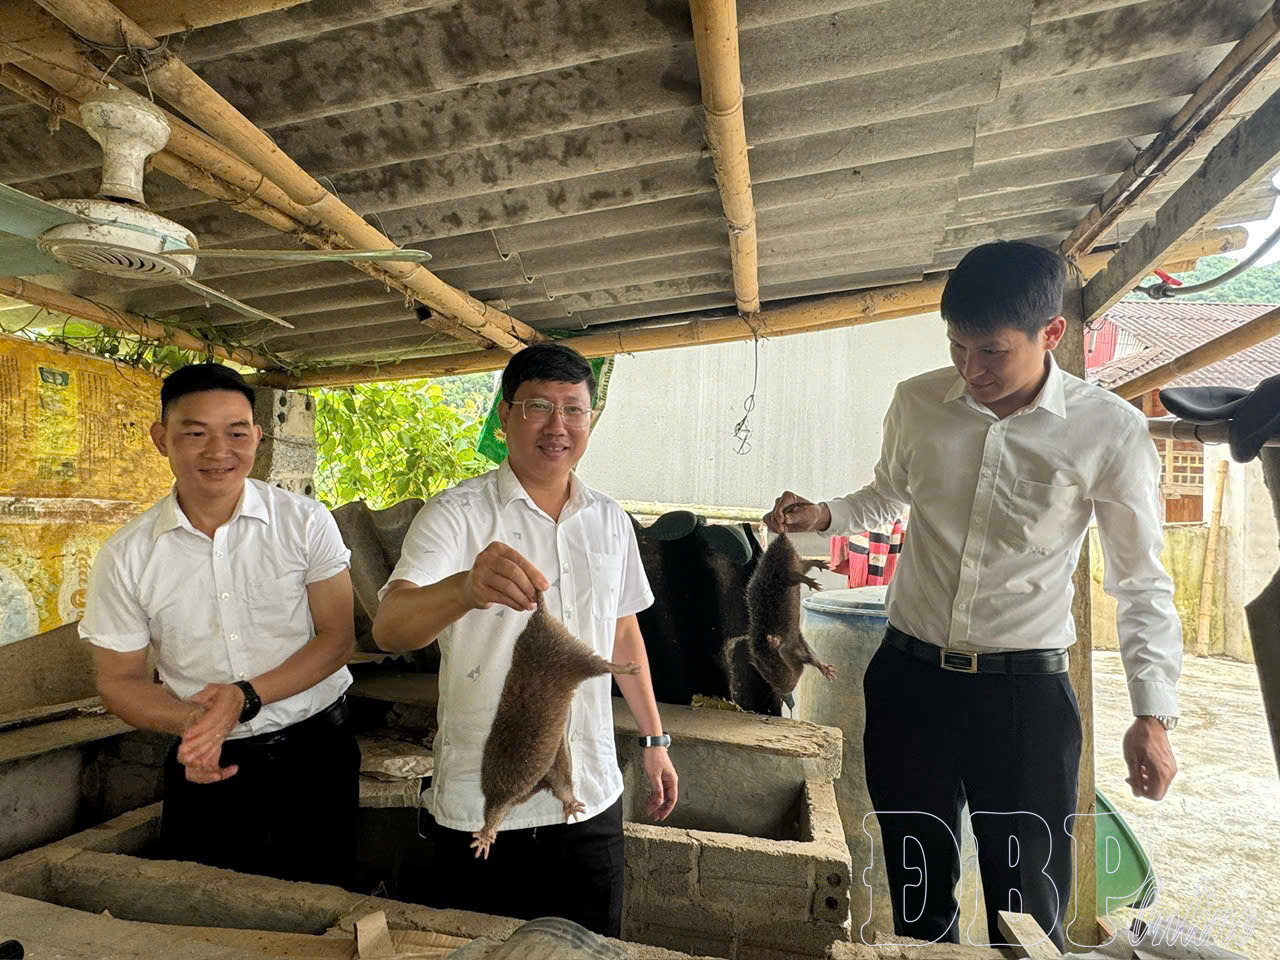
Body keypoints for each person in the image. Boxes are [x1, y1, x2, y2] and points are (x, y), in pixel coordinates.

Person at [764, 241, 1181, 950]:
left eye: (991, 352)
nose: (971, 369)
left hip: (1024, 701)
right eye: (957, 347)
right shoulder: (918, 402)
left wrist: (1153, 712)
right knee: (918, 896)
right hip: (910, 683)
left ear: (1052, 333)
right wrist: (825, 514)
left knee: (1027, 913)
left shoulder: (1108, 430)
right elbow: (888, 493)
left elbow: (1141, 580)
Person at [373, 343, 677, 937]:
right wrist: (464, 588)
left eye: (573, 409)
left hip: (588, 797)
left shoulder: (610, 519)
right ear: (505, 415)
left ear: (590, 418)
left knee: (586, 952)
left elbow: (622, 630)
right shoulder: (455, 514)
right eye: (538, 407)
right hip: (481, 809)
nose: (557, 426)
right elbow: (390, 626)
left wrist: (654, 739)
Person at [81, 363, 359, 887]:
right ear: (161, 439)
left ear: (257, 436)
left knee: (323, 901)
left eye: (236, 433)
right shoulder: (126, 555)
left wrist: (244, 696)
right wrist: (195, 725)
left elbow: (337, 638)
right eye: (195, 434)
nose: (218, 451)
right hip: (204, 758)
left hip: (317, 752)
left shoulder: (305, 522)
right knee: (205, 905)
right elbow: (118, 680)